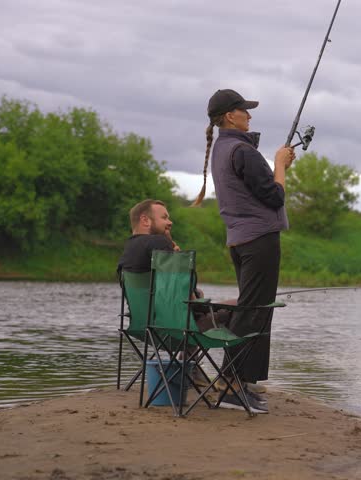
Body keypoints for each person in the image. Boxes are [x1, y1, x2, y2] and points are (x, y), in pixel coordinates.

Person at [192, 89, 294, 408]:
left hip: (239, 241)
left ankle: (236, 380)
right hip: (259, 241)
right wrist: (280, 165)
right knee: (254, 313)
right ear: (229, 116)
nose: (249, 115)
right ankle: (232, 383)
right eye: (244, 110)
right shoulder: (243, 150)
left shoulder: (223, 148)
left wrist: (276, 167)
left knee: (251, 309)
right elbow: (275, 197)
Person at [116, 199, 268, 413]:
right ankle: (230, 380)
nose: (170, 222)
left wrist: (193, 294)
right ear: (145, 220)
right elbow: (187, 295)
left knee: (201, 306)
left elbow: (170, 293)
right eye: (164, 217)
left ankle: (191, 368)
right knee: (244, 306)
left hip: (148, 327)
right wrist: (173, 251)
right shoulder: (158, 244)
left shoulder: (128, 251)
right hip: (178, 329)